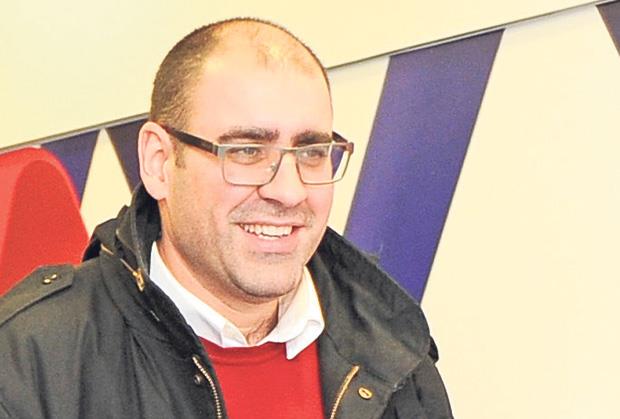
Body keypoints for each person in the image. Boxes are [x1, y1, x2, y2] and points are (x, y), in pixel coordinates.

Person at [0, 18, 452, 418]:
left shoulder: (393, 347)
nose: (289, 191)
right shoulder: (30, 358)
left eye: (312, 153)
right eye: (247, 151)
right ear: (159, 162)